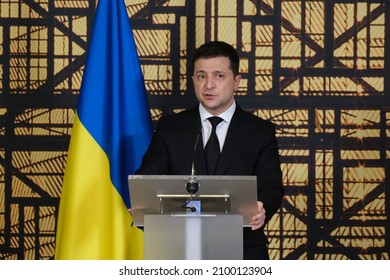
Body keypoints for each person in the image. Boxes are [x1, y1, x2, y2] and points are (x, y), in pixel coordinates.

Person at [136, 41, 284, 260]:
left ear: (237, 82)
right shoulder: (171, 127)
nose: (209, 85)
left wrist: (262, 208)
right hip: (180, 251)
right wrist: (144, 206)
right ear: (194, 80)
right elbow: (147, 180)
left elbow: (271, 188)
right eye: (202, 76)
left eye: (219, 76)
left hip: (242, 251)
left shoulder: (260, 131)